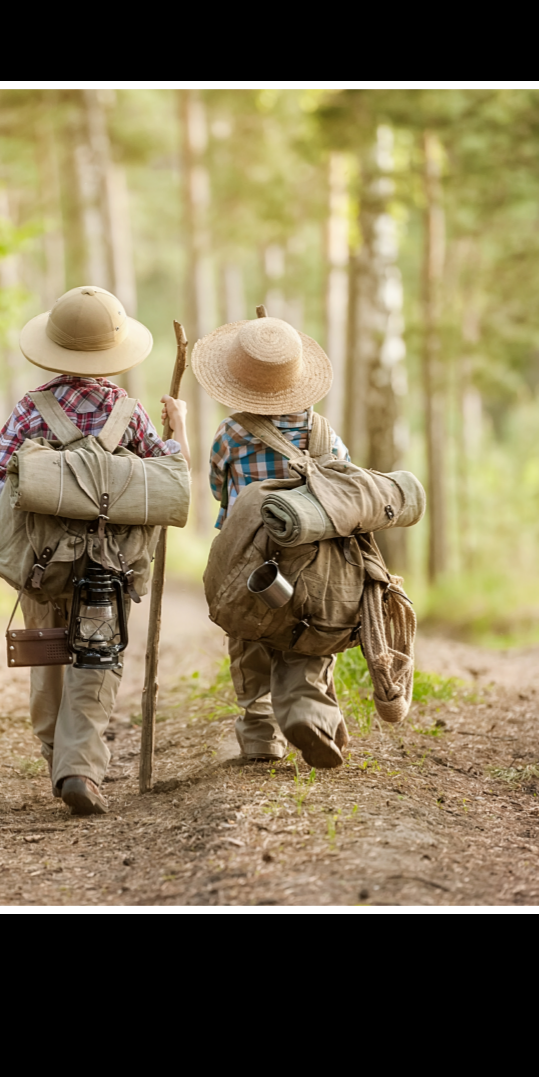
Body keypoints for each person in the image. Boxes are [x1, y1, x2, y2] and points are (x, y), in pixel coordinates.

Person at [0, 286, 187, 816]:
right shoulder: (129, 413)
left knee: (47, 659)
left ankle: (57, 754)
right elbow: (169, 480)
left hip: (40, 565)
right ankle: (79, 769)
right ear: (113, 352)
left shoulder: (33, 408)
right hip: (108, 568)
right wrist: (179, 428)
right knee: (97, 663)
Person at [191, 312, 352, 769]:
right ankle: (306, 712)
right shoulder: (324, 433)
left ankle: (261, 731)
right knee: (309, 634)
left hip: (250, 558)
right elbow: (343, 483)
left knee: (249, 636)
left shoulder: (231, 433)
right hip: (316, 559)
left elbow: (218, 489)